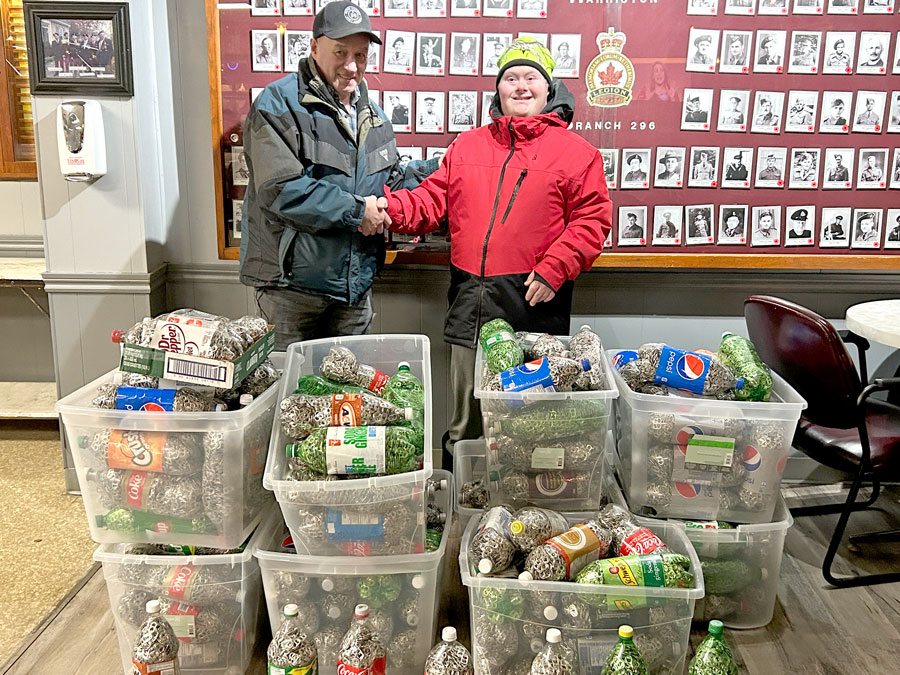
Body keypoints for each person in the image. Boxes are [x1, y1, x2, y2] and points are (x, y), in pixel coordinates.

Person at [378, 37, 611, 461]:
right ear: (498, 90)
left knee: (529, 420)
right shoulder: (466, 146)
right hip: (470, 300)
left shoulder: (579, 155)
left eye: (531, 77)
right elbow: (431, 201)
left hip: (533, 304)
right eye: (510, 78)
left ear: (549, 88)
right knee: (466, 421)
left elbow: (592, 221)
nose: (520, 87)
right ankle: (461, 508)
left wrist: (554, 267)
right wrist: (388, 209)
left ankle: (523, 507)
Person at [239, 2, 437, 348]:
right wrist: (358, 212)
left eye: (360, 55)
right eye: (340, 52)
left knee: (347, 398)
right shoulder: (277, 104)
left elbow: (388, 182)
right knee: (288, 397)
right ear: (314, 47)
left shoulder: (374, 117)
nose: (351, 66)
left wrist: (444, 166)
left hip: (353, 292)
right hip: (291, 292)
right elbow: (281, 190)